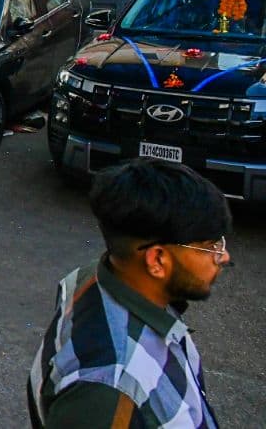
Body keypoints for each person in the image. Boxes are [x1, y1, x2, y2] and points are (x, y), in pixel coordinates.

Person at [29, 159, 231, 428]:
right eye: (210, 247)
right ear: (157, 260)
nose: (223, 256)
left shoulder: (95, 276)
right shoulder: (110, 387)